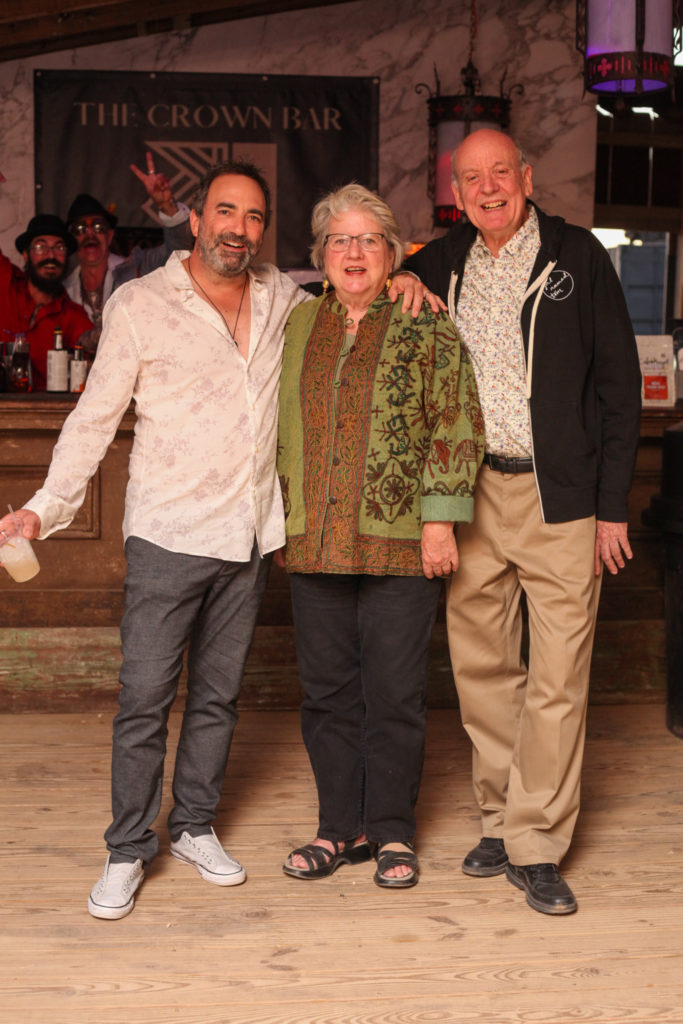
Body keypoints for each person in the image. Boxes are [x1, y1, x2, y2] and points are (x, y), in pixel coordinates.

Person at [0, 161, 437, 920]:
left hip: (249, 534)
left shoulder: (287, 301)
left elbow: (359, 280)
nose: (239, 228)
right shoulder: (140, 303)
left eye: (254, 216)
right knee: (143, 701)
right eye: (225, 212)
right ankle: (128, 847)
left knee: (216, 700)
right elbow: (95, 418)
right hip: (168, 533)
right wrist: (43, 508)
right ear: (195, 222)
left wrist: (408, 280)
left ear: (264, 231)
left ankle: (196, 825)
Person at [404, 129, 641, 915]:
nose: (487, 187)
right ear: (457, 191)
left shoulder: (576, 256)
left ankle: (536, 844)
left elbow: (618, 389)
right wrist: (404, 278)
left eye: (498, 172)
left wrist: (611, 507)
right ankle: (501, 820)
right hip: (470, 496)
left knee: (556, 678)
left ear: (526, 176)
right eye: (470, 178)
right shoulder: (443, 259)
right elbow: (364, 279)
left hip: (560, 499)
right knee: (481, 673)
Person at [277, 183, 484, 889]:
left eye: (369, 240)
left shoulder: (426, 323)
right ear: (321, 256)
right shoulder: (299, 324)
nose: (354, 252)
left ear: (395, 253)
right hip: (315, 539)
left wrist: (439, 519)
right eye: (340, 240)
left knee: (394, 693)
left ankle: (392, 831)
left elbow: (455, 420)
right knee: (328, 693)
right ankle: (340, 827)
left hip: (402, 541)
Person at [64, 153, 194, 346]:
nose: (90, 234)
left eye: (98, 227)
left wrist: (166, 205)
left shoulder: (138, 267)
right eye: (80, 229)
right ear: (72, 239)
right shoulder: (65, 290)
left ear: (109, 236)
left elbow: (179, 253)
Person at [1, 213, 93, 388]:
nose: (50, 256)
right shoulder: (6, 281)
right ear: (26, 254)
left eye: (59, 248)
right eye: (40, 247)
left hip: (42, 413)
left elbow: (103, 354)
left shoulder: (73, 316)